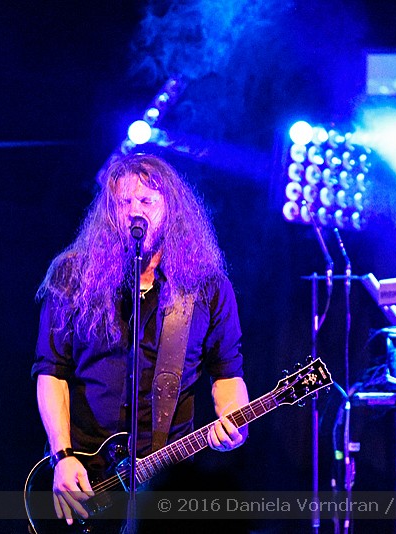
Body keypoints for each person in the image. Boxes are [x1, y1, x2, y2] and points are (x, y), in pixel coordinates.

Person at [32, 153, 249, 529]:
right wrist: (62, 455)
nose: (135, 211)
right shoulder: (73, 276)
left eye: (147, 201)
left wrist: (234, 421)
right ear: (110, 212)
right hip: (86, 475)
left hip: (167, 483)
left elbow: (227, 371)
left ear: (170, 209)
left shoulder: (207, 286)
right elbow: (51, 371)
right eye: (124, 202)